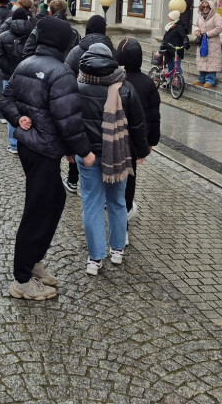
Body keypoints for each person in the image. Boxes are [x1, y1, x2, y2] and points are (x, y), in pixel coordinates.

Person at [1, 17, 91, 300]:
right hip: (43, 149)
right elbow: (69, 120)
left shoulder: (26, 64)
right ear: (63, 42)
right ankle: (22, 278)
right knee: (38, 211)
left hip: (33, 147)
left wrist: (18, 118)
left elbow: (6, 100)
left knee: (54, 200)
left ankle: (34, 261)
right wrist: (84, 152)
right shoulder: (61, 73)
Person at [75, 44, 148, 274]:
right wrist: (141, 151)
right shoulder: (124, 87)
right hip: (118, 154)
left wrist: (72, 148)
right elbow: (137, 123)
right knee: (117, 202)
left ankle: (95, 259)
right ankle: (117, 250)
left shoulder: (77, 85)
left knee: (92, 204)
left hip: (87, 154)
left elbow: (70, 121)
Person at [63, 14, 114, 193]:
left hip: (81, 103)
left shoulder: (76, 51)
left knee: (80, 139)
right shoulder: (112, 51)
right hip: (109, 106)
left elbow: (67, 77)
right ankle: (107, 183)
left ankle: (73, 179)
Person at [115, 38, 161, 226]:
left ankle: (114, 210)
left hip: (114, 137)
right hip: (134, 141)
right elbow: (153, 116)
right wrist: (150, 142)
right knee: (129, 182)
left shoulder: (115, 79)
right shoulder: (147, 83)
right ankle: (123, 215)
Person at [0, 7, 33, 154]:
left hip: (8, 77)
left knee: (11, 109)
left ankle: (14, 145)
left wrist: (8, 68)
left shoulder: (4, 36)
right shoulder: (33, 35)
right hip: (29, 78)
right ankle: (27, 142)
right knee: (29, 108)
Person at [193, 0, 222, 87]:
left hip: (213, 43)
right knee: (202, 59)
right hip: (202, 41)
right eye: (203, 7)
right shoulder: (200, 16)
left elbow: (219, 28)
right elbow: (196, 25)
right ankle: (201, 79)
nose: (205, 8)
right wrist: (197, 31)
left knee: (212, 61)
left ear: (211, 7)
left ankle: (210, 80)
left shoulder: (216, 16)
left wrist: (207, 34)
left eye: (207, 7)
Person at [160, 10, 190, 77]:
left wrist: (186, 43)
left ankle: (178, 83)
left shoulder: (179, 27)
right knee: (170, 67)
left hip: (177, 50)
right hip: (169, 50)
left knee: (177, 67)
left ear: (174, 18)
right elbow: (165, 37)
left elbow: (184, 36)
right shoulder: (169, 26)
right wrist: (163, 45)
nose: (168, 19)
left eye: (170, 17)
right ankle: (171, 83)